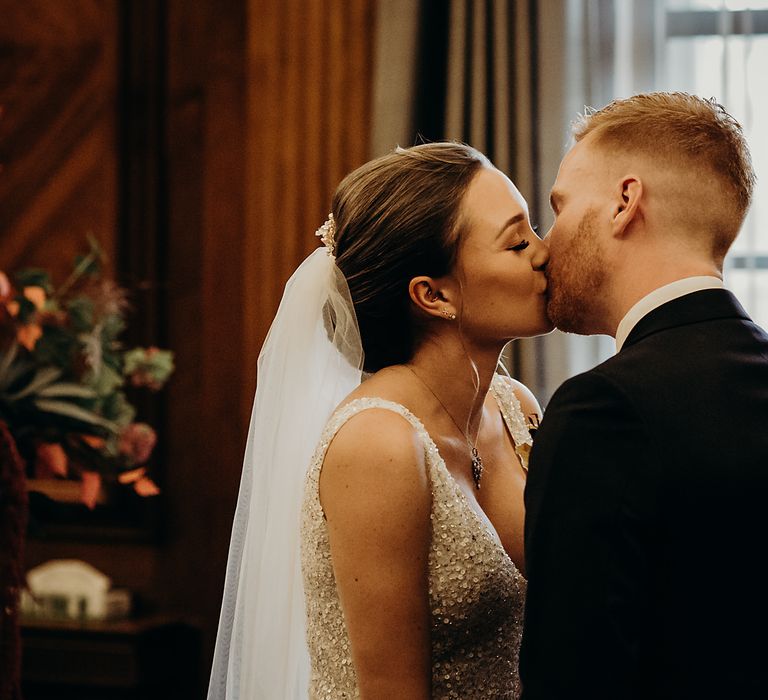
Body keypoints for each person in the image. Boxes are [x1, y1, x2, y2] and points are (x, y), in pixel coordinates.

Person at [208, 142, 551, 699]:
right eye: (517, 242)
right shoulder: (378, 445)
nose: (545, 252)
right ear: (433, 295)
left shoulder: (516, 409)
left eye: (533, 230)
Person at [521, 92, 768, 699]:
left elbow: (572, 679)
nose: (545, 246)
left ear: (624, 203)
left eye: (561, 206)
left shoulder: (604, 410)